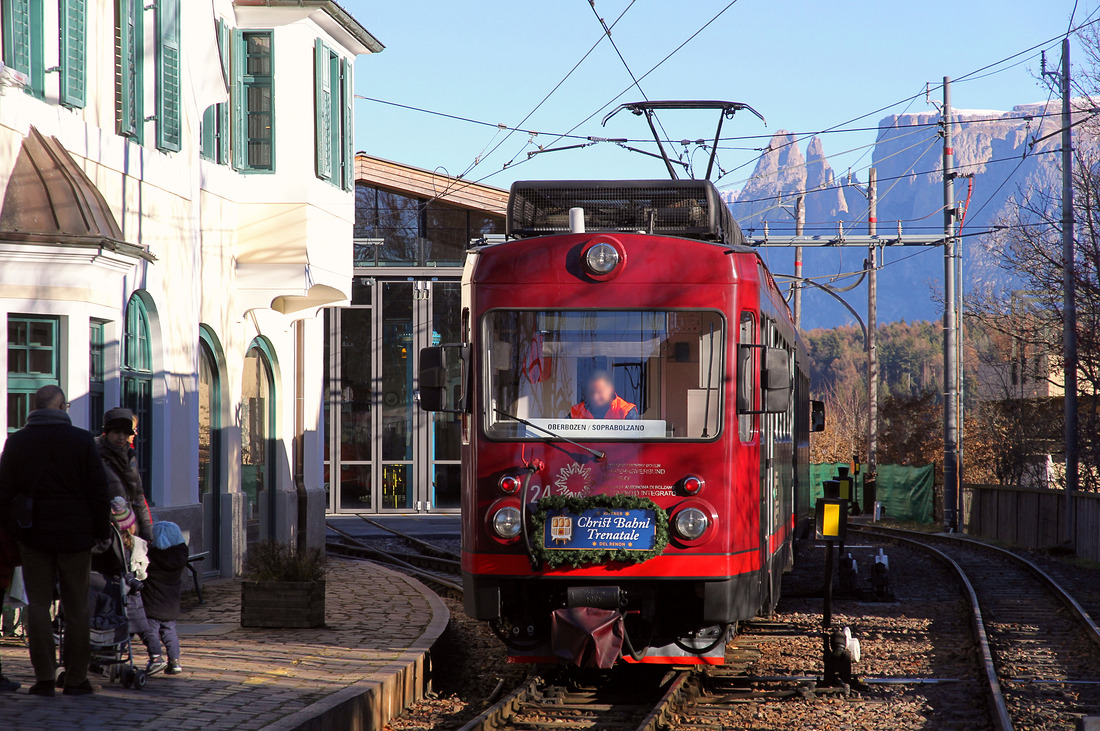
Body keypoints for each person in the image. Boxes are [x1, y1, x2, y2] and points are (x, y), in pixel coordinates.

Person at [0, 385, 111, 696]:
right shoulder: (80, 440)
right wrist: (101, 532)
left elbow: (4, 492)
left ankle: (45, 678)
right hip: (76, 537)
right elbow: (98, 490)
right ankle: (76, 679)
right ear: (61, 406)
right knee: (77, 607)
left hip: (33, 536)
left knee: (37, 605)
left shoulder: (18, 441)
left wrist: (15, 531)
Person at [96, 408, 152, 545]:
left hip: (131, 530)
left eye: (126, 433)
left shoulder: (130, 456)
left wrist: (146, 531)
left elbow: (138, 496)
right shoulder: (94, 454)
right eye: (116, 432)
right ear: (107, 432)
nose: (121, 437)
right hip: (107, 530)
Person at [140, 521, 188, 675]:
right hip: (171, 602)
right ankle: (175, 662)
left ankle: (155, 658)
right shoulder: (180, 554)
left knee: (150, 631)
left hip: (151, 601)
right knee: (169, 632)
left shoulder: (150, 555)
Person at [569, 371, 640, 420]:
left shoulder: (626, 412)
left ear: (611, 390)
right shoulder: (577, 411)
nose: (595, 397)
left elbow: (632, 440)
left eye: (600, 392)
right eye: (591, 392)